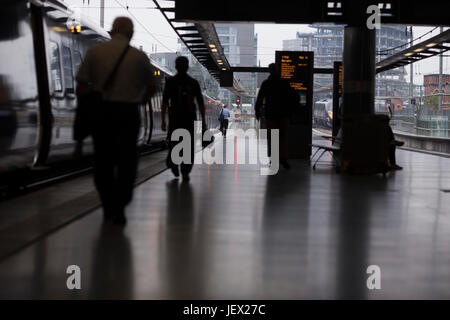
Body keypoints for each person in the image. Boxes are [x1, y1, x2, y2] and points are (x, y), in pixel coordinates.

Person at [76, 17, 154, 225]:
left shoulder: (95, 52)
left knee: (103, 161)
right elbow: (152, 87)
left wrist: (90, 103)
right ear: (130, 34)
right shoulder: (139, 57)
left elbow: (81, 86)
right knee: (127, 162)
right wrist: (140, 99)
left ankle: (108, 204)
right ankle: (120, 204)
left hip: (102, 114)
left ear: (112, 31)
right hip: (128, 114)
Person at [161, 56, 206, 181]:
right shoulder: (193, 82)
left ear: (176, 66)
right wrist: (204, 121)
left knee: (174, 141)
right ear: (187, 67)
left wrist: (164, 120)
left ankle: (173, 164)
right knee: (189, 145)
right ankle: (185, 170)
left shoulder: (170, 82)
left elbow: (165, 102)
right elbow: (200, 103)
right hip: (189, 118)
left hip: (175, 118)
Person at [255, 63, 298, 170]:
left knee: (273, 137)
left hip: (271, 115)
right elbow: (295, 96)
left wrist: (258, 112)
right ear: (278, 70)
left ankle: (274, 159)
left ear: (269, 71)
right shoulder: (284, 83)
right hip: (283, 115)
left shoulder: (266, 83)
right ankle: (283, 158)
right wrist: (291, 110)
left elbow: (260, 99)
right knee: (283, 138)